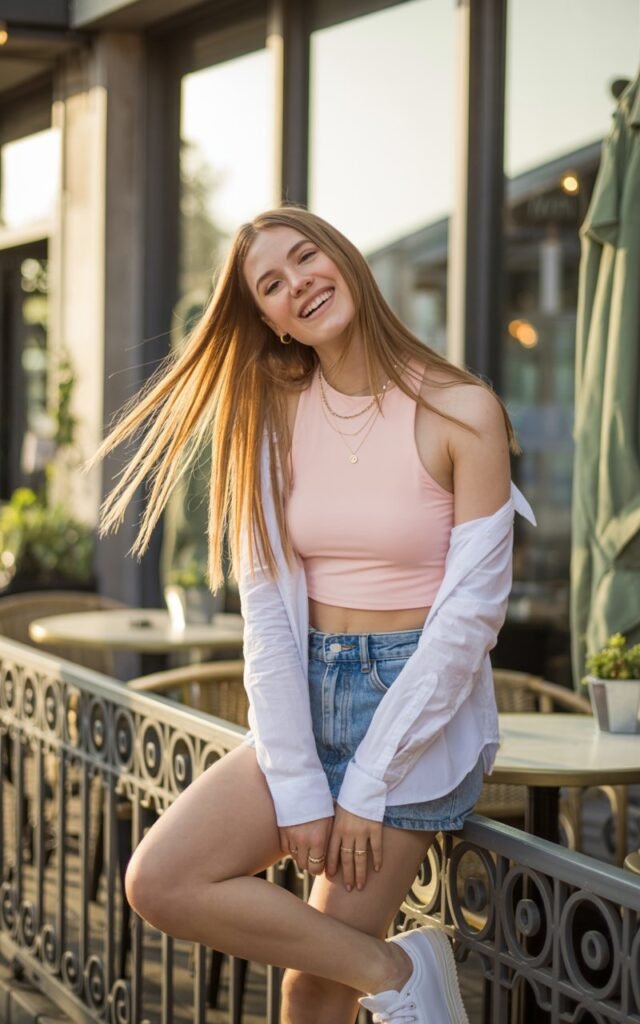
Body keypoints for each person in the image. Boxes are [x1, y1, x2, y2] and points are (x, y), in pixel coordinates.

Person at [90, 206, 535, 1024]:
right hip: (305, 689)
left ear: (344, 258)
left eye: (306, 257)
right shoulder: (272, 416)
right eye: (271, 284)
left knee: (310, 990)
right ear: (269, 319)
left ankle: (386, 970)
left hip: (415, 711)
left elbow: (470, 622)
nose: (297, 284)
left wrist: (367, 785)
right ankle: (397, 967)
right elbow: (265, 612)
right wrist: (298, 785)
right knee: (159, 879)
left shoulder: (462, 410)